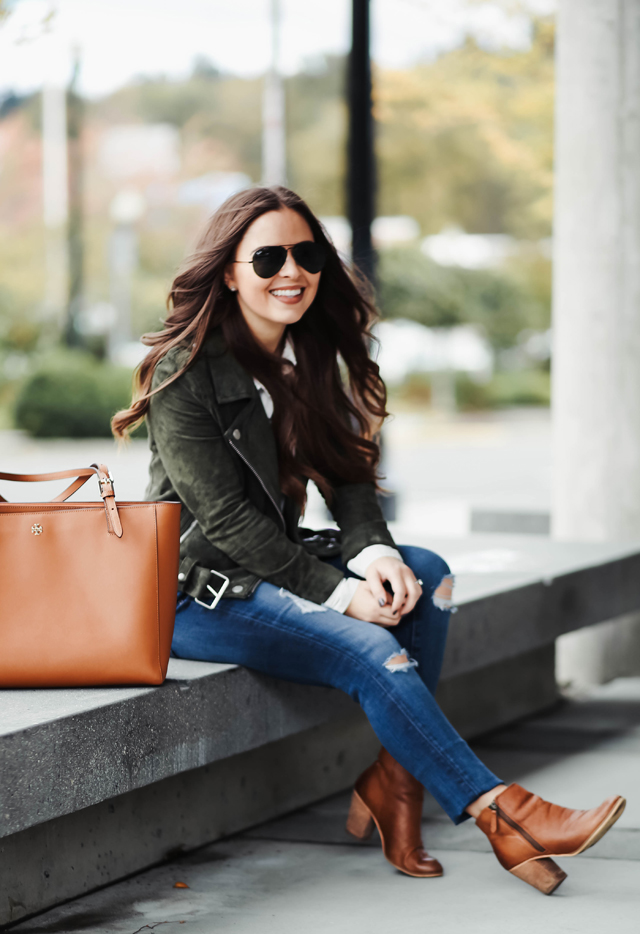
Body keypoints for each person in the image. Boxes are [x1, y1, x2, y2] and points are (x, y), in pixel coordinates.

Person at [113, 186, 624, 895]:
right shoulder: (185, 372)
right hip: (201, 594)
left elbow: (350, 485)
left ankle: (395, 785)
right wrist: (340, 593)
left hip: (275, 571)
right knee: (372, 646)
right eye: (268, 258)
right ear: (229, 272)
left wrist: (376, 556)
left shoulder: (311, 359)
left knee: (428, 574)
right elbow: (226, 523)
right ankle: (505, 814)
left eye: (307, 254)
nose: (290, 271)